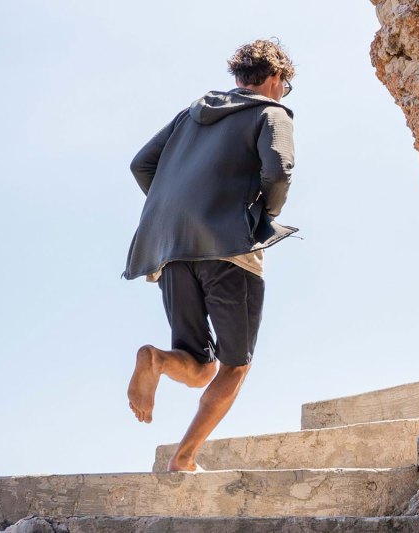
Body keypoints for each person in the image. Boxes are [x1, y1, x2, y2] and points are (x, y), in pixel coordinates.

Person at [122, 38, 297, 472]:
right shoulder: (270, 113)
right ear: (275, 79)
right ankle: (183, 458)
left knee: (199, 365)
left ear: (238, 78)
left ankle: (157, 360)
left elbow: (142, 164)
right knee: (235, 367)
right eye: (285, 87)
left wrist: (183, 210)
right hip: (230, 251)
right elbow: (277, 169)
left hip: (172, 252)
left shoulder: (191, 115)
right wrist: (262, 217)